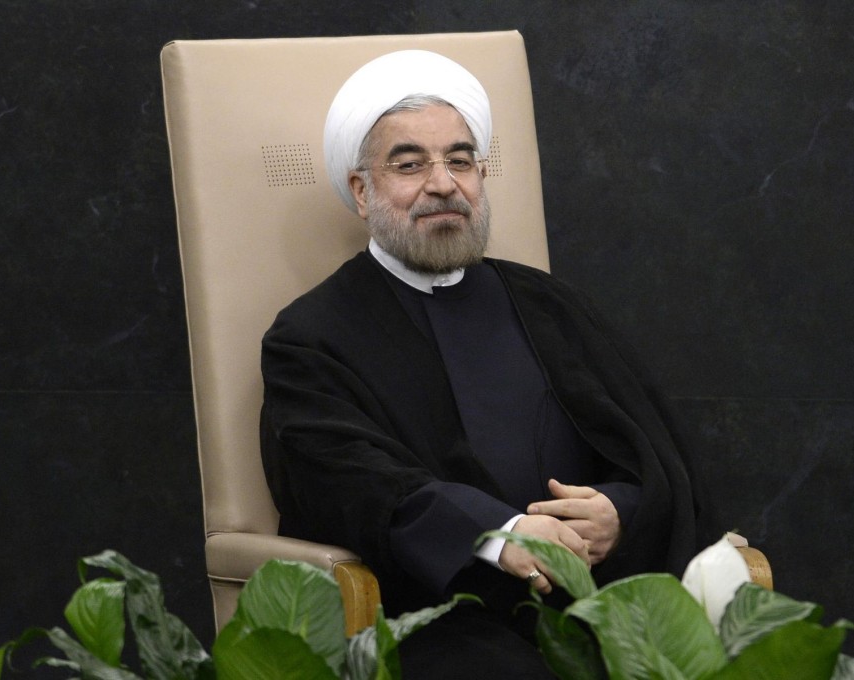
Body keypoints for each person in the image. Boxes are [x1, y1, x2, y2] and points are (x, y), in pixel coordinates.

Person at [260, 49, 711, 678]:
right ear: (362, 191)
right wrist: (501, 535)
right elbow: (351, 485)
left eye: (460, 160)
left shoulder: (550, 305)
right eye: (409, 163)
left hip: (596, 598)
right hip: (436, 614)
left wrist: (618, 513)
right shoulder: (310, 338)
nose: (443, 183)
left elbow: (652, 455)